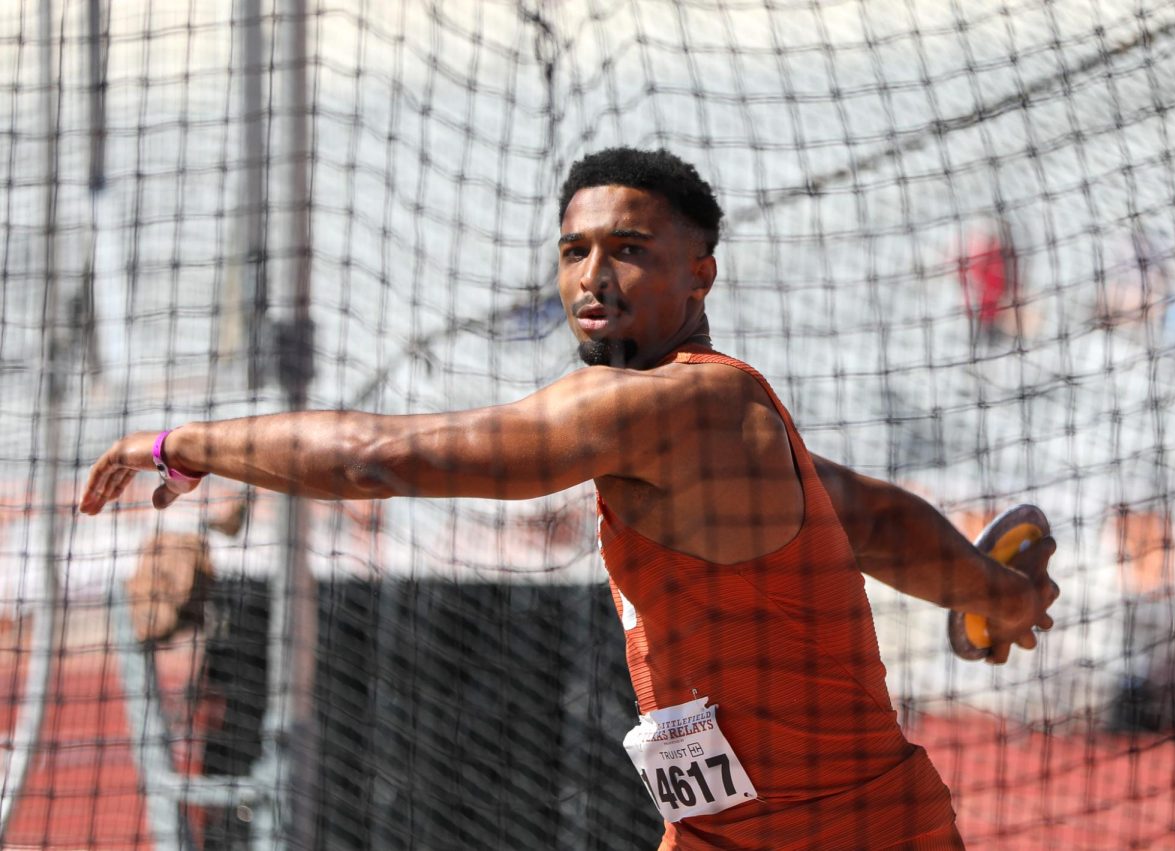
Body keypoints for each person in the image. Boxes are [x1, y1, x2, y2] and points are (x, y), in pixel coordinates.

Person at [81, 147, 1059, 849]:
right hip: (731, 828)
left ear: (699, 271)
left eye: (629, 247)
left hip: (843, 834)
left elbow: (382, 457)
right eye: (574, 249)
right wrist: (995, 591)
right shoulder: (733, 414)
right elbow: (875, 517)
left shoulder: (683, 401)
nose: (592, 275)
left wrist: (188, 443)